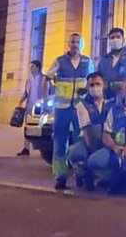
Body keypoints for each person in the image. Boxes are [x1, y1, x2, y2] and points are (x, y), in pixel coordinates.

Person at [45, 33, 92, 189]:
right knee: (59, 142)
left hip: (80, 108)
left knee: (80, 140)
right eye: (72, 42)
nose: (75, 44)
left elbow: (93, 80)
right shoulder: (60, 61)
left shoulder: (87, 61)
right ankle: (60, 176)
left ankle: (80, 173)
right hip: (62, 108)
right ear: (68, 44)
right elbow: (48, 77)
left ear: (82, 44)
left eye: (78, 42)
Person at [90, 80, 126, 194]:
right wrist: (115, 147)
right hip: (117, 148)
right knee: (94, 161)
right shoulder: (114, 110)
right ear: (122, 91)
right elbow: (106, 135)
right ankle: (110, 178)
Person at [65, 72, 111, 191]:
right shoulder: (82, 105)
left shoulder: (111, 103)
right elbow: (87, 133)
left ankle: (99, 175)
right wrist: (93, 153)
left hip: (107, 141)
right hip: (88, 141)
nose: (95, 88)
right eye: (92, 85)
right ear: (87, 87)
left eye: (98, 84)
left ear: (104, 85)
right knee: (76, 153)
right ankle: (83, 172)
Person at [97, 27, 126, 103]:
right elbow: (98, 80)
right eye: (112, 38)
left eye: (118, 37)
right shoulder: (103, 60)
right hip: (107, 101)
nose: (115, 40)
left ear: (124, 39)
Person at [17, 60, 48, 157]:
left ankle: (42, 148)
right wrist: (21, 101)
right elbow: (26, 93)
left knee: (40, 127)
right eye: (30, 67)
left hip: (40, 108)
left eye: (32, 67)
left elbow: (47, 92)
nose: (31, 69)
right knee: (28, 127)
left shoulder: (44, 79)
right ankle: (26, 148)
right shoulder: (29, 81)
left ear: (38, 68)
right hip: (30, 107)